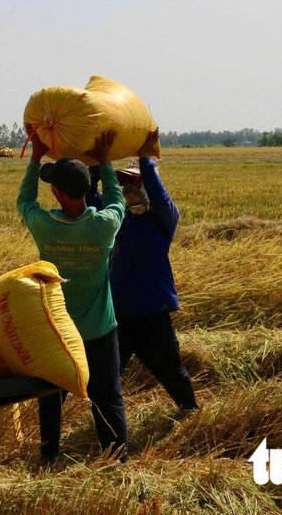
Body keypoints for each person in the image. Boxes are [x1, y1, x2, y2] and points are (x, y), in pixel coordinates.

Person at [18, 127, 129, 461]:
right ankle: (117, 460)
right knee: (107, 398)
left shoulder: (45, 226)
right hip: (98, 331)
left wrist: (36, 154)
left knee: (52, 396)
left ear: (56, 192)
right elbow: (117, 200)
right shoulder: (104, 226)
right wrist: (106, 161)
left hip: (56, 330)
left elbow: (25, 201)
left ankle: (49, 457)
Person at [89, 129, 198, 412]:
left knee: (171, 372)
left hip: (152, 314)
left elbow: (159, 195)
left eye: (135, 183)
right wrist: (97, 170)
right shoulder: (119, 217)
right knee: (108, 377)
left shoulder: (163, 219)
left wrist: (144, 158)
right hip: (118, 314)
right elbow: (93, 202)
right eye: (127, 184)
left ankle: (190, 413)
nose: (129, 190)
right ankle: (108, 426)